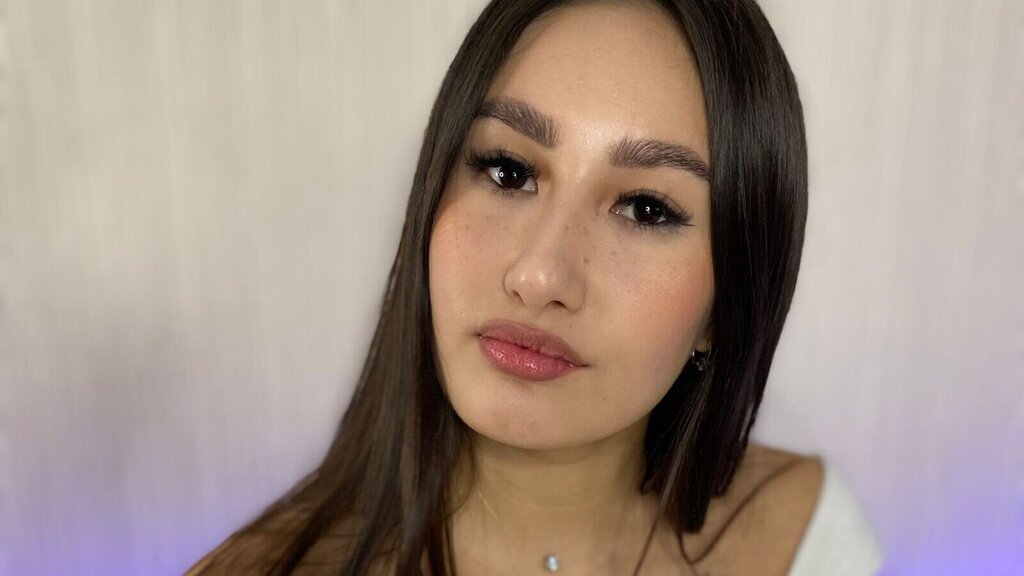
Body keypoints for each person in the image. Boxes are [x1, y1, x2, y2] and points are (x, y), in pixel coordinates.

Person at [189, 0, 882, 574]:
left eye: (646, 209)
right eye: (509, 172)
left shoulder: (808, 536)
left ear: (723, 308)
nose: (538, 276)